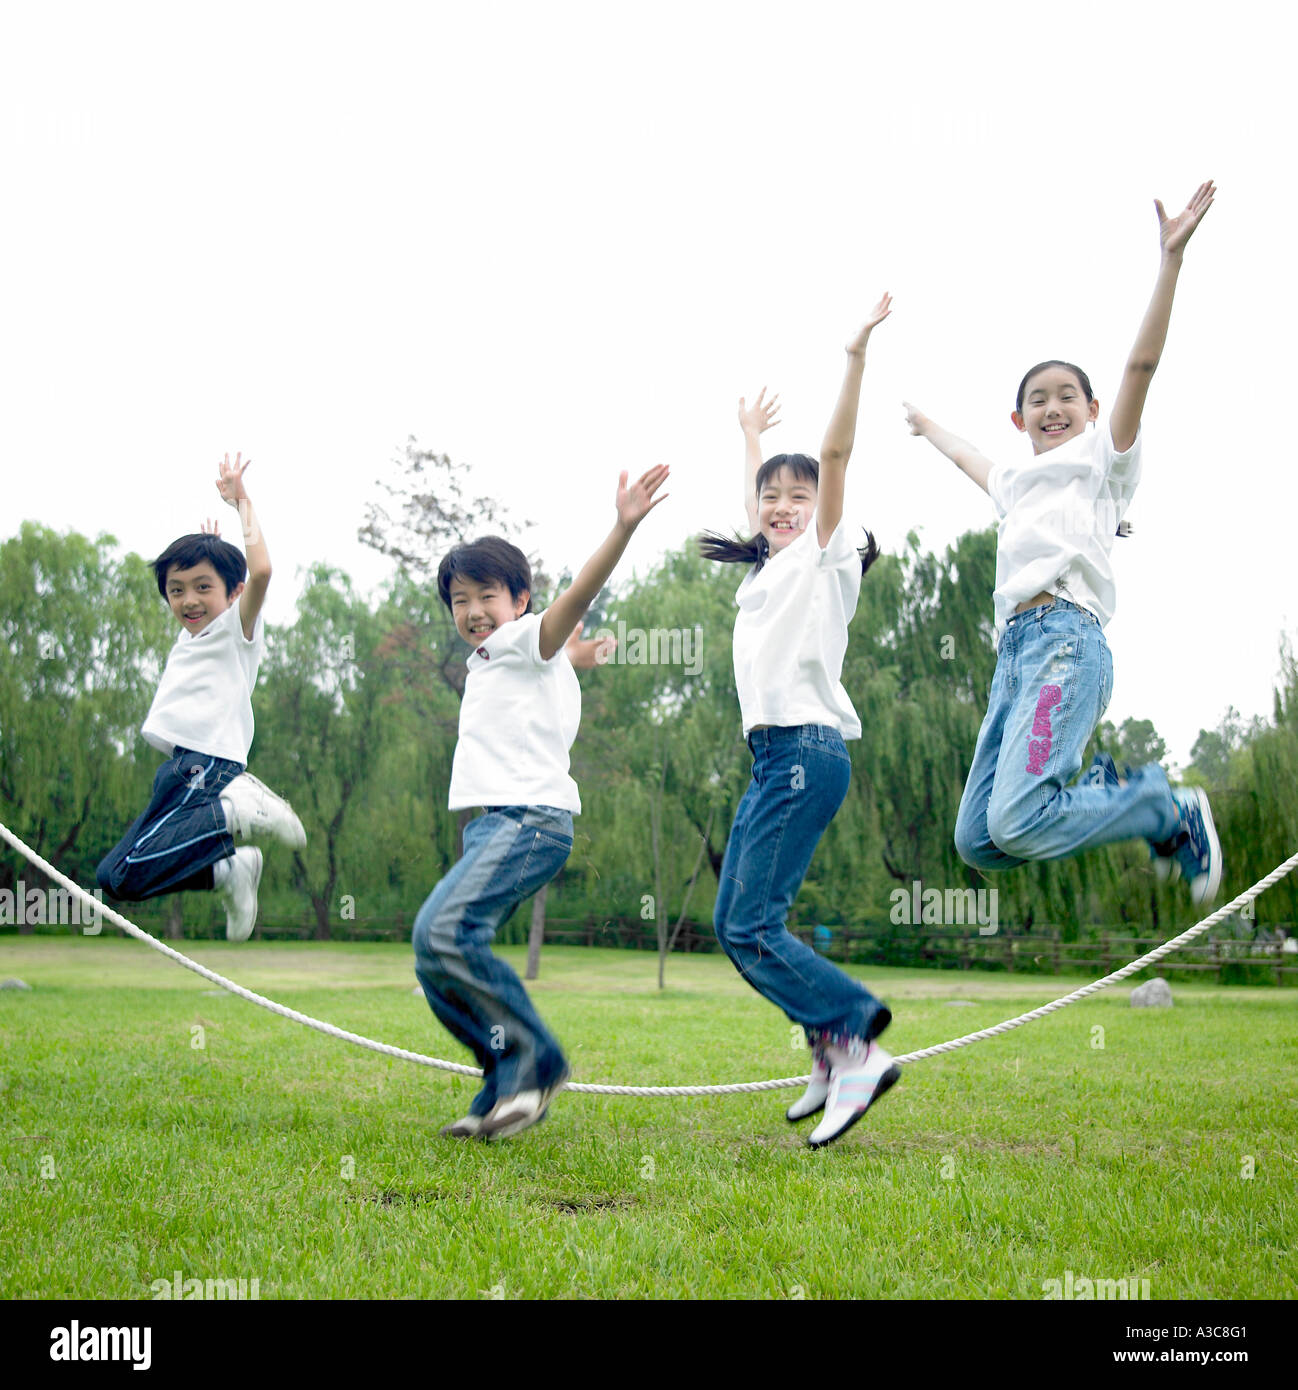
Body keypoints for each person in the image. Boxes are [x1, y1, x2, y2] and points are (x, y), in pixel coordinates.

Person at [904, 181, 1222, 902]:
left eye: (1065, 396)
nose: (1052, 406)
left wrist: (1169, 262)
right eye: (1037, 399)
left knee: (1016, 820)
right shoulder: (1017, 481)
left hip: (1065, 643)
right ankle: (1111, 792)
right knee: (979, 839)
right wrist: (926, 427)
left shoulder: (1103, 461)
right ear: (1018, 420)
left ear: (1091, 410)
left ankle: (1163, 808)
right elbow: (967, 457)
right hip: (1015, 657)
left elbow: (1141, 367)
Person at [416, 465, 669, 1142]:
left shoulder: (526, 639)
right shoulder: (500, 659)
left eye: (486, 596)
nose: (472, 611)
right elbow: (551, 663)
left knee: (445, 933)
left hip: (529, 820)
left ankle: (535, 1062)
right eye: (459, 600)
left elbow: (574, 598)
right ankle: (504, 1085)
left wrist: (623, 526)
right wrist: (578, 660)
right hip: (493, 827)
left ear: (520, 598)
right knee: (432, 948)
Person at [699, 297, 899, 1150]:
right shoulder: (769, 569)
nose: (782, 506)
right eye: (770, 497)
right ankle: (826, 1045)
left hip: (804, 752)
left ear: (822, 507)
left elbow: (836, 452)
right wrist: (748, 434)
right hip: (777, 759)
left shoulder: (825, 554)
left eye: (798, 495)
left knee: (748, 926)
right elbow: (762, 501)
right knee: (739, 924)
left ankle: (855, 1038)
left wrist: (852, 357)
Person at [96, 454, 305, 940]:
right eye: (176, 589)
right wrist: (210, 543)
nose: (189, 600)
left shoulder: (237, 628)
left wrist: (242, 505)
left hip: (210, 767)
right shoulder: (191, 636)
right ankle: (228, 871)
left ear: (233, 593)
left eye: (203, 588)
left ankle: (241, 810)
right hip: (179, 769)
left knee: (132, 867)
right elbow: (208, 576)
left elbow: (264, 571)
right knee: (118, 877)